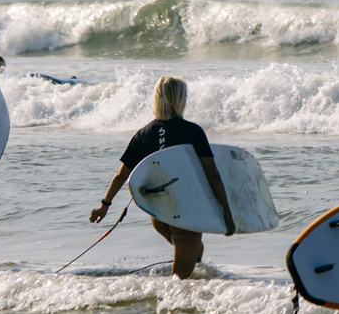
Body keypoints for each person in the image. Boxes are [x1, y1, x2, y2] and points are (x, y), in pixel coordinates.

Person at [89, 76, 233, 278]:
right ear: (180, 99)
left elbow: (122, 175)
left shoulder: (143, 133)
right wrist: (227, 214)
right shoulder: (193, 132)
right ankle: (168, 306)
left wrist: (104, 206)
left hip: (159, 213)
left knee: (194, 256)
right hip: (185, 213)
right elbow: (213, 175)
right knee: (179, 281)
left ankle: (188, 301)